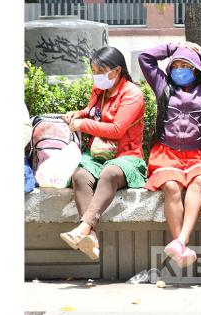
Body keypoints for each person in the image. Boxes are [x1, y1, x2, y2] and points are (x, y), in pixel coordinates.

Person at [59, 46, 146, 260]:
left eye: (100, 71)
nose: (96, 75)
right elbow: (93, 113)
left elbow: (117, 129)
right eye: (94, 70)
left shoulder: (132, 94)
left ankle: (82, 228)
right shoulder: (100, 90)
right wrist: (77, 115)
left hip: (126, 156)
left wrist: (83, 124)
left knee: (109, 173)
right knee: (80, 176)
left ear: (116, 71)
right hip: (98, 153)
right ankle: (91, 238)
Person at [138, 41, 201, 267]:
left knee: (199, 181)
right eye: (175, 65)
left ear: (195, 68)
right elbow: (145, 56)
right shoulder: (162, 84)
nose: (179, 70)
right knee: (171, 187)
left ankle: (181, 241)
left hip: (198, 153)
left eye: (185, 65)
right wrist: (173, 48)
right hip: (167, 152)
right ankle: (180, 246)